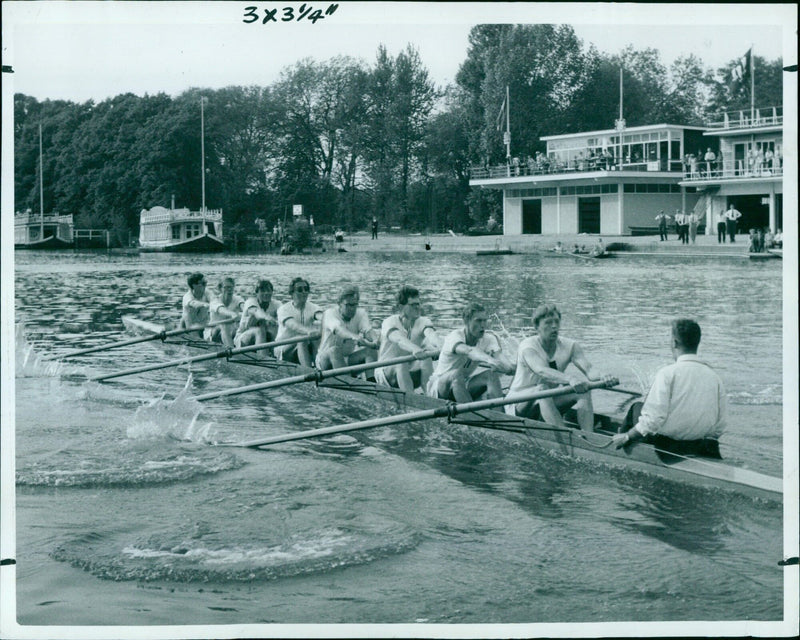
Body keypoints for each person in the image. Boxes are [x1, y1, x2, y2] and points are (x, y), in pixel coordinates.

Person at [612, 319, 726, 458]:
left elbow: (652, 420)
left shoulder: (667, 374)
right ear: (697, 342)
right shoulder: (714, 376)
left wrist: (628, 436)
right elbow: (720, 425)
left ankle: (619, 444)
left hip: (668, 448)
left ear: (674, 343)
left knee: (636, 407)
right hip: (702, 445)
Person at [504, 304, 616, 432]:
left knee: (583, 391)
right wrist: (570, 379)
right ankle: (565, 436)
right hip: (518, 404)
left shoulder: (571, 346)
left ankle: (588, 436)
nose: (554, 326)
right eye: (548, 323)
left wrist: (603, 376)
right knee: (542, 389)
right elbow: (542, 370)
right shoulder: (528, 347)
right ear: (536, 327)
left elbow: (589, 370)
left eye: (557, 322)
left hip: (548, 400)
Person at [427, 302, 515, 403]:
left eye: (485, 320)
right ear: (466, 321)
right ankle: (473, 415)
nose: (483, 325)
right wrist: (490, 360)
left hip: (462, 384)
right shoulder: (455, 336)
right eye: (478, 321)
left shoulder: (489, 339)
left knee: (491, 375)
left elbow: (501, 358)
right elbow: (469, 351)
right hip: (438, 387)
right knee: (456, 374)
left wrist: (511, 367)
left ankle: (500, 417)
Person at [375, 285, 440, 393]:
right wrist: (415, 349)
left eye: (418, 304)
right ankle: (412, 400)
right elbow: (399, 340)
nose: (417, 307)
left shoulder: (423, 321)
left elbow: (431, 335)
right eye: (413, 305)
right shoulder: (389, 322)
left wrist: (443, 346)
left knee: (427, 358)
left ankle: (431, 397)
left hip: (408, 371)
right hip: (385, 373)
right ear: (401, 307)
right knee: (401, 363)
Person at [315, 285, 378, 372]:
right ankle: (348, 383)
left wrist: (376, 341)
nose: (352, 309)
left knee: (370, 352)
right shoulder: (329, 314)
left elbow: (368, 331)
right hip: (325, 360)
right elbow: (339, 330)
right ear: (339, 304)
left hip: (347, 359)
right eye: (348, 305)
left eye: (354, 305)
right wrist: (354, 337)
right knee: (334, 350)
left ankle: (371, 382)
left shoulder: (361, 314)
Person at [274, 278, 322, 367]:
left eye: (306, 289)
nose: (304, 292)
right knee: (302, 339)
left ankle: (320, 368)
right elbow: (293, 325)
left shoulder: (314, 307)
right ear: (292, 293)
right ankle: (309, 371)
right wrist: (308, 331)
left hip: (304, 345)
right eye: (300, 290)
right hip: (284, 348)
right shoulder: (283, 309)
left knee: (316, 339)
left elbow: (320, 316)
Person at [234, 279, 280, 349]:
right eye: (263, 291)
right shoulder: (250, 302)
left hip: (265, 337)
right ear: (257, 293)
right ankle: (263, 357)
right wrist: (269, 318)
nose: (266, 293)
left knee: (275, 329)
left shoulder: (277, 304)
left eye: (268, 291)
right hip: (243, 338)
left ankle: (275, 355)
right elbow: (257, 312)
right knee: (259, 330)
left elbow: (284, 314)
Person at [206, 277, 243, 347]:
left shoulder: (238, 299)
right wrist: (233, 314)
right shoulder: (215, 300)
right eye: (226, 287)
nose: (229, 290)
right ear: (220, 289)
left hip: (232, 331)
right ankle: (232, 352)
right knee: (224, 326)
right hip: (214, 331)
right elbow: (222, 310)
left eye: (231, 287)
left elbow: (244, 307)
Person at [180, 272, 211, 337]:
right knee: (184, 319)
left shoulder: (207, 293)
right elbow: (193, 303)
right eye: (203, 283)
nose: (205, 285)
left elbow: (215, 300)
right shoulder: (187, 297)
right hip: (190, 326)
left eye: (205, 283)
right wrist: (205, 305)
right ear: (194, 285)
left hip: (202, 326)